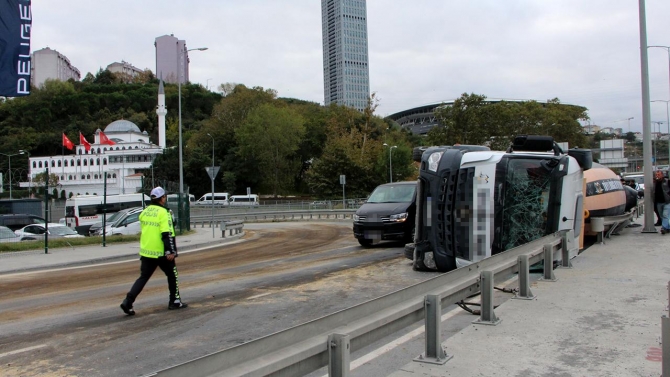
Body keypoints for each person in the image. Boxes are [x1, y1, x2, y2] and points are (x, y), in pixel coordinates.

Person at [120, 187, 187, 315]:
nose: (165, 198)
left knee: (143, 277)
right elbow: (166, 234)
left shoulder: (145, 212)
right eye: (164, 196)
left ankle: (128, 301)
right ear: (162, 198)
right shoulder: (164, 213)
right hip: (161, 252)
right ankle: (175, 301)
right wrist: (171, 251)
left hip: (147, 252)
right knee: (173, 275)